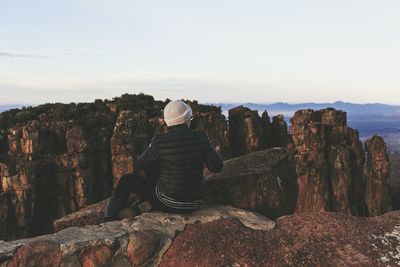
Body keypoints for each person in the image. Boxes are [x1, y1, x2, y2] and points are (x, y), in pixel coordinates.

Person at [104, 100, 224, 221]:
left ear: (167, 121)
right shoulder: (200, 137)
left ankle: (109, 217)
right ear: (188, 118)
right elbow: (217, 166)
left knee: (127, 180)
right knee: (159, 173)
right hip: (192, 203)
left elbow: (142, 163)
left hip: (167, 201)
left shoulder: (160, 140)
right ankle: (146, 206)